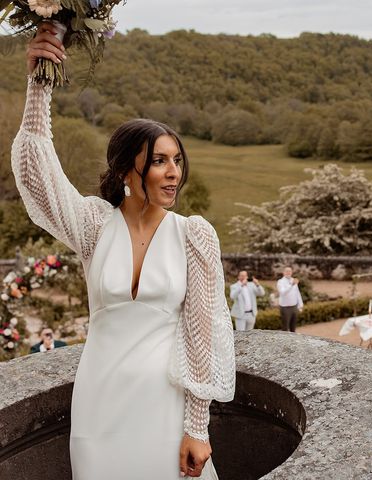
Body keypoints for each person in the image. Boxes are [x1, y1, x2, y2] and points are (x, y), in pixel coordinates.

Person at [12, 23, 235, 479]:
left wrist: (197, 427)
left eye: (177, 160)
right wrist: (40, 80)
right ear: (126, 170)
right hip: (99, 407)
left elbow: (202, 339)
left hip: (166, 412)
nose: (173, 173)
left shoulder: (195, 235)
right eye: (159, 160)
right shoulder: (95, 226)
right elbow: (37, 175)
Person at [277, 266, 303, 332]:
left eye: (290, 271)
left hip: (294, 307)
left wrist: (300, 305)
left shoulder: (293, 280)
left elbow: (297, 293)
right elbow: (283, 292)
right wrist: (291, 285)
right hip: (285, 308)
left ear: (291, 272)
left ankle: (293, 342)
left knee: (293, 327)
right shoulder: (280, 282)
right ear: (283, 272)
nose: (288, 273)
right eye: (287, 271)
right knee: (285, 327)